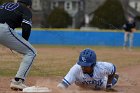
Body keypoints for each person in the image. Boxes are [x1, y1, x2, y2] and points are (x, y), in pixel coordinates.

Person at [0, 0, 37, 91]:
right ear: (28, 5)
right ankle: (18, 81)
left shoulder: (5, 4)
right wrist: (24, 43)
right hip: (2, 29)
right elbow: (26, 27)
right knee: (31, 52)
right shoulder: (25, 9)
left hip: (4, 28)